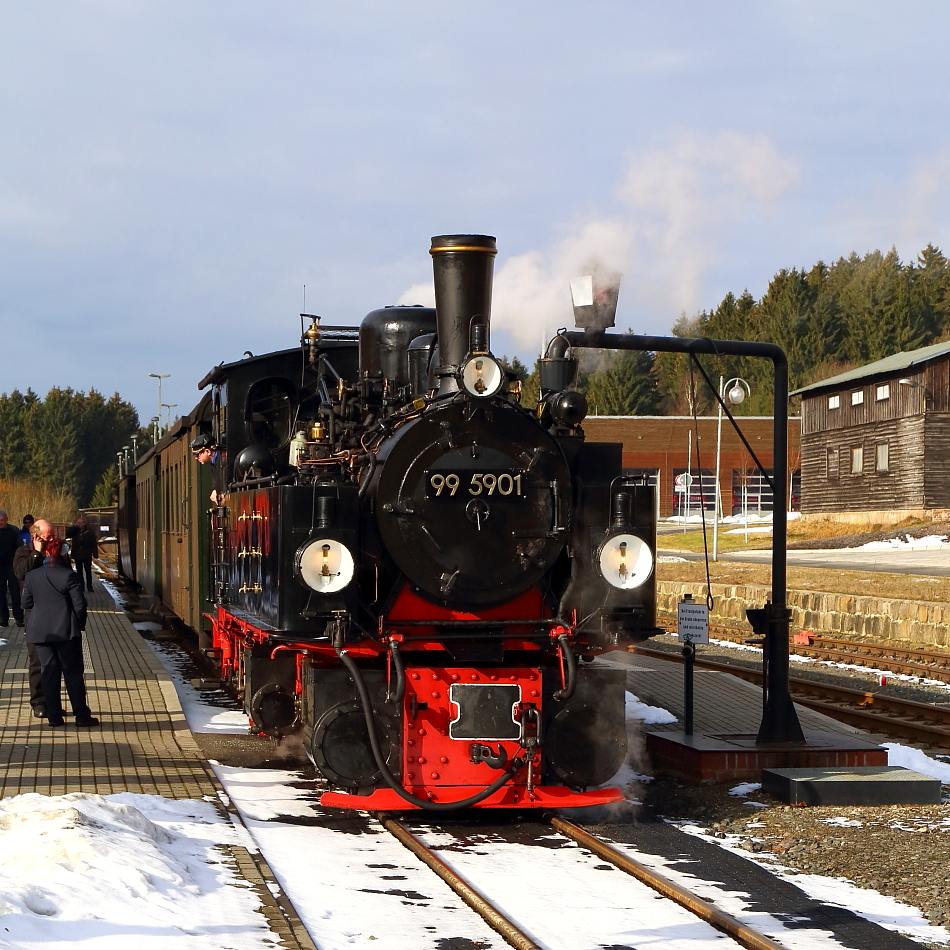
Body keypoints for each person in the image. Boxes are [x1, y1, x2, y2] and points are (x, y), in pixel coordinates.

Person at [21, 537, 98, 727]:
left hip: (40, 633)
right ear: (62, 554)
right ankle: (81, 715)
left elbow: (25, 604)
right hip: (66, 631)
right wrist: (78, 625)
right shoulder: (69, 576)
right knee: (72, 672)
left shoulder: (32, 576)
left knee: (48, 672)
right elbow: (79, 605)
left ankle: (54, 716)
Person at [14, 519, 54, 718]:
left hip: (55, 612)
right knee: (37, 661)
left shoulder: (56, 550)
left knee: (55, 662)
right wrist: (37, 553)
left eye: (52, 536)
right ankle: (38, 702)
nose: (50, 540)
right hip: (33, 612)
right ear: (35, 536)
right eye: (47, 537)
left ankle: (53, 702)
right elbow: (20, 573)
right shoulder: (23, 552)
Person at [0, 509, 25, 627]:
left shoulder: (14, 530)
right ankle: (3, 618)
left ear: (7, 520)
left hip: (12, 565)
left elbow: (20, 547)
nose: (0, 523)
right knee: (1, 593)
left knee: (15, 592)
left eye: (2, 520)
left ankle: (19, 618)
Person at [65, 516, 98, 593]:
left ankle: (89, 586)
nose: (78, 524)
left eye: (80, 523)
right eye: (77, 523)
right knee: (79, 572)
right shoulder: (75, 531)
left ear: (84, 524)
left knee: (88, 571)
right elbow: (68, 534)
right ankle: (81, 586)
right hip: (77, 555)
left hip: (86, 554)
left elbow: (93, 543)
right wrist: (73, 527)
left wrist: (95, 553)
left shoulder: (89, 532)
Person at [190, 432, 224, 506]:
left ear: (208, 451)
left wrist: (216, 490)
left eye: (197, 454)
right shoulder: (214, 462)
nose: (196, 457)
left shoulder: (223, 459)